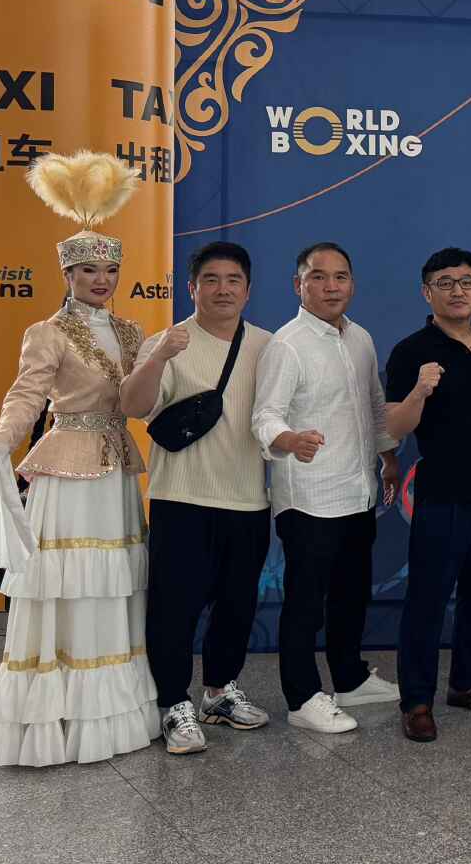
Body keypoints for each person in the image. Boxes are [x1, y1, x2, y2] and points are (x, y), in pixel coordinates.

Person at [0, 151, 159, 766]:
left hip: (117, 468)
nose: (101, 280)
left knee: (109, 587)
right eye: (88, 270)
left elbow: (143, 395)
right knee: (67, 586)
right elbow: (25, 397)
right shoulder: (46, 332)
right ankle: (60, 714)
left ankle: (112, 715)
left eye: (110, 270)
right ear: (67, 274)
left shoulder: (131, 332)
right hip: (68, 470)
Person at [121, 240, 272, 756]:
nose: (222, 289)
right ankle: (173, 703)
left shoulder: (268, 346)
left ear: (248, 290)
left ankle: (219, 693)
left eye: (233, 280)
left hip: (248, 499)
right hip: (181, 498)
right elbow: (133, 405)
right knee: (174, 608)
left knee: (236, 606)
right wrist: (158, 356)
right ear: (192, 287)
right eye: (211, 279)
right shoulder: (169, 342)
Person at [252, 242, 402, 735]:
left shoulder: (360, 338)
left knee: (350, 595)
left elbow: (374, 405)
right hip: (309, 498)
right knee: (305, 603)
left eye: (340, 277)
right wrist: (289, 439)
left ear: (352, 284)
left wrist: (388, 457)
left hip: (357, 490)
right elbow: (265, 415)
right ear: (298, 285)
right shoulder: (287, 344)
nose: (330, 286)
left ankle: (350, 679)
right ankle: (301, 697)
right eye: (318, 277)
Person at [384, 247, 471, 743]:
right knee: (428, 599)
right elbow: (394, 426)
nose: (457, 291)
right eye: (445, 283)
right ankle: (416, 700)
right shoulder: (410, 351)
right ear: (427, 292)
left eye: (466, 282)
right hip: (443, 495)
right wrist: (420, 391)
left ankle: (465, 683)